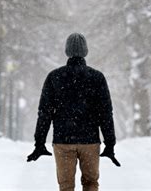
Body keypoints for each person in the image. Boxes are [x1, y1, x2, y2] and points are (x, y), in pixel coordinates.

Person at [27, 33, 120, 191]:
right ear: (86, 51)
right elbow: (105, 113)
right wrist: (109, 143)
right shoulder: (97, 77)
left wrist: (40, 143)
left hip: (63, 140)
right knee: (91, 183)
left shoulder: (54, 77)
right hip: (90, 141)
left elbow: (44, 113)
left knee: (66, 186)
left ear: (66, 51)